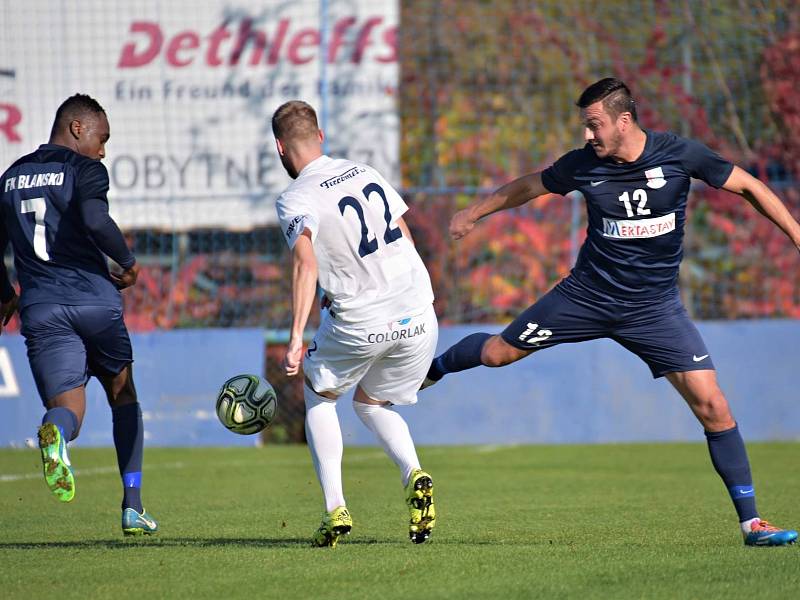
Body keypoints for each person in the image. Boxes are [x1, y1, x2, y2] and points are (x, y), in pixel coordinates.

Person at [423, 78, 799, 547]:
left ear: (624, 121)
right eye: (585, 125)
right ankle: (432, 368)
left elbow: (750, 186)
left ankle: (752, 524)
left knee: (713, 406)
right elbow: (526, 187)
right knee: (498, 354)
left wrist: (797, 236)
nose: (587, 135)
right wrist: (473, 214)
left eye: (594, 124)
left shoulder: (680, 154)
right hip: (585, 297)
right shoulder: (583, 166)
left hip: (654, 309)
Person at [273, 100, 438, 547]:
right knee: (371, 403)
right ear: (321, 136)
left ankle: (335, 510)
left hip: (363, 317)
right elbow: (402, 233)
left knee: (319, 395)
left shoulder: (296, 196)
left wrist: (294, 338)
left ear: (280, 148)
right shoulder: (364, 171)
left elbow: (305, 264)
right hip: (420, 308)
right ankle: (414, 474)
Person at [0, 94, 157, 536]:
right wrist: (126, 261)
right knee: (123, 394)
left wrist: (5, 294)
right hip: (94, 301)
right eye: (101, 138)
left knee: (69, 410)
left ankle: (54, 433)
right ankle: (132, 506)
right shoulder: (84, 169)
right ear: (76, 128)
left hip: (41, 309)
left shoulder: (9, 178)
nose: (103, 149)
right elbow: (94, 218)